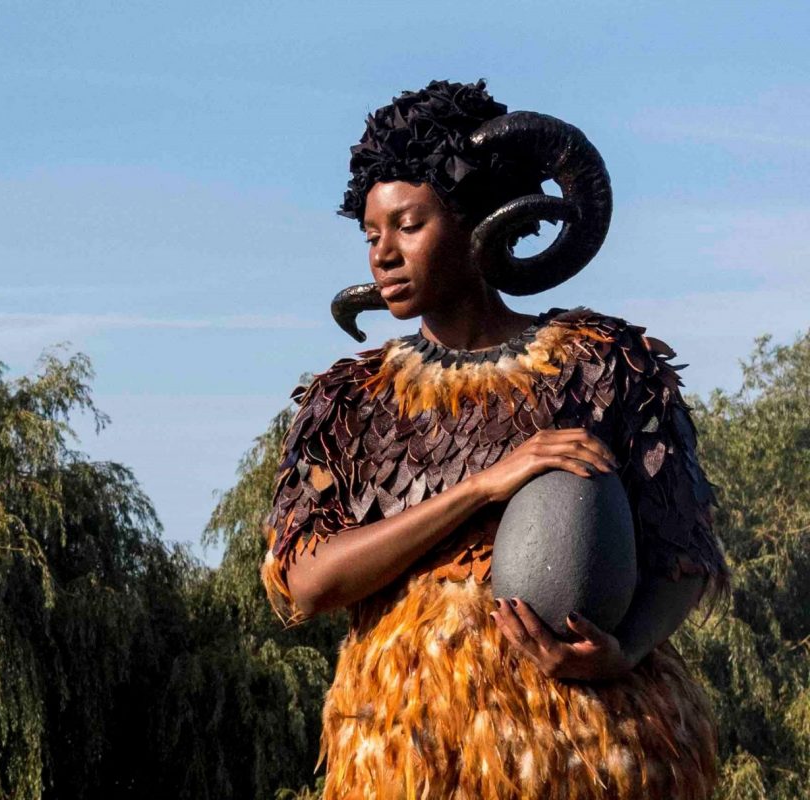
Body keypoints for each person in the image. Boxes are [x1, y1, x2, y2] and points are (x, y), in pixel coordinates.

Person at [261, 80, 729, 799]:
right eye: (371, 233)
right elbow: (306, 584)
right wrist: (482, 485)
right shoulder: (347, 402)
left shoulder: (605, 364)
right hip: (411, 758)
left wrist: (622, 651)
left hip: (595, 753)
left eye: (408, 225)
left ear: (480, 220)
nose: (382, 254)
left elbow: (683, 554)